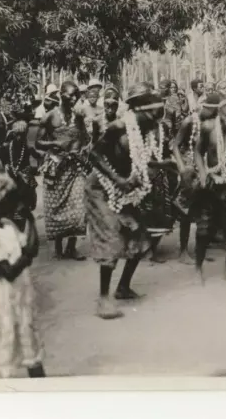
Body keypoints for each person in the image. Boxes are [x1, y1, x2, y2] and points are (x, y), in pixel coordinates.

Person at [86, 84, 171, 319]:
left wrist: (162, 165)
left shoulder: (148, 130)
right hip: (102, 187)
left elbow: (139, 160)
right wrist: (118, 179)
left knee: (139, 235)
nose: (159, 117)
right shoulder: (119, 126)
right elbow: (93, 154)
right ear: (140, 110)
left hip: (125, 188)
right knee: (112, 236)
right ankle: (104, 299)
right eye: (155, 112)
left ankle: (123, 287)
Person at [0, 173, 45, 378]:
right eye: (10, 200)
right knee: (0, 353)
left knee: (30, 346)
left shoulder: (6, 226)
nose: (15, 204)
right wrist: (27, 256)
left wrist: (29, 219)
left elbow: (30, 247)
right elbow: (7, 271)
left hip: (18, 299)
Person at [193, 97, 226, 284]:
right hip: (211, 186)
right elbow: (198, 152)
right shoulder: (208, 127)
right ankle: (198, 269)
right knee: (204, 231)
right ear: (219, 113)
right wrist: (201, 173)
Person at [36, 80, 91, 260]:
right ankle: (59, 246)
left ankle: (72, 247)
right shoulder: (50, 117)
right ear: (61, 95)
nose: (74, 98)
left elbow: (86, 138)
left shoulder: (79, 117)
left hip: (74, 167)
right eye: (70, 94)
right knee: (57, 207)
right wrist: (54, 143)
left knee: (79, 206)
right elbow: (38, 142)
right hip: (56, 167)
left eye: (76, 94)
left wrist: (80, 150)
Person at [172, 93, 222, 265]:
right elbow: (176, 146)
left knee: (204, 210)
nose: (215, 115)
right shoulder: (189, 122)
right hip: (190, 168)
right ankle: (183, 251)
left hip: (207, 168)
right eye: (213, 111)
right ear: (205, 107)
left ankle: (200, 249)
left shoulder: (215, 123)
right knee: (186, 210)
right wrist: (182, 168)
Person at [1, 120, 41, 215]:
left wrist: (36, 167)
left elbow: (37, 156)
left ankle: (25, 206)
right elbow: (3, 159)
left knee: (26, 186)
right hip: (12, 173)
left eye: (22, 135)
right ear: (13, 134)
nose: (19, 137)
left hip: (24, 173)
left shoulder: (27, 147)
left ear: (25, 135)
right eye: (17, 135)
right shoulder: (7, 147)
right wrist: (6, 166)